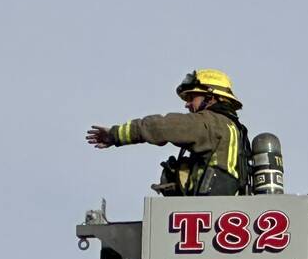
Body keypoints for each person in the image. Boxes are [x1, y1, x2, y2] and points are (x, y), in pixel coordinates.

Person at [86, 69, 250, 196]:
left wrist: (116, 135)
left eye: (191, 98)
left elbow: (160, 127)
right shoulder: (233, 128)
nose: (187, 105)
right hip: (224, 215)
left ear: (210, 97)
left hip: (206, 213)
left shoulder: (210, 122)